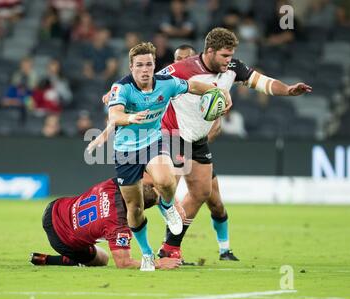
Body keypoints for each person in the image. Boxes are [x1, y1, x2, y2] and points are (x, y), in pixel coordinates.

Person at [155, 27, 311, 262]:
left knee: (202, 192)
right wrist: (118, 98)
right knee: (164, 192)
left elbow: (263, 82)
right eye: (224, 56)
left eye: (231, 55)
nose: (229, 61)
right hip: (172, 135)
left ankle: (170, 247)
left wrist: (287, 90)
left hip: (197, 139)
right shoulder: (182, 69)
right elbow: (148, 85)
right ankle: (120, 224)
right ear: (209, 51)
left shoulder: (233, 68)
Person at [104, 42, 229, 271]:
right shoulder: (121, 88)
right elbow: (114, 114)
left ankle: (168, 206)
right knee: (135, 208)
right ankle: (147, 253)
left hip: (153, 142)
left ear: (154, 66)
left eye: (149, 64)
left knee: (165, 180)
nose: (145, 69)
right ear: (131, 67)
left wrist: (217, 91)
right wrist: (129, 118)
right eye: (139, 65)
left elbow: (192, 86)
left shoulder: (167, 83)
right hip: (126, 151)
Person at [30, 178, 181, 270]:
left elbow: (146, 177)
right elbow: (124, 263)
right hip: (61, 239)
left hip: (54, 208)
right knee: (102, 259)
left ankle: (41, 258)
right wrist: (159, 263)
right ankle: (52, 260)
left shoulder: (113, 184)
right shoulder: (119, 225)